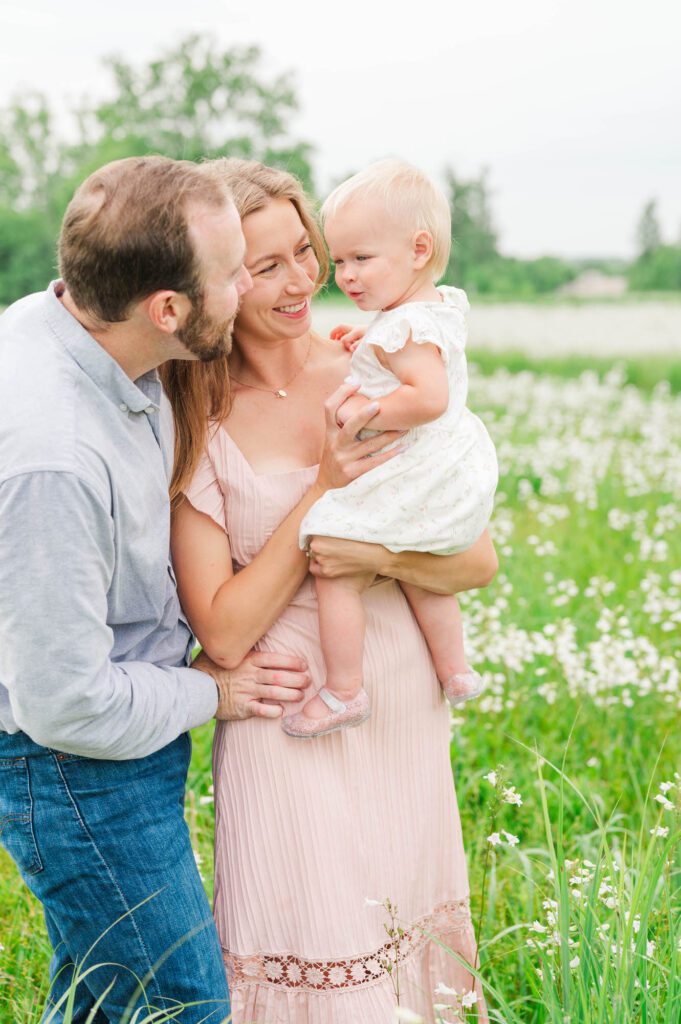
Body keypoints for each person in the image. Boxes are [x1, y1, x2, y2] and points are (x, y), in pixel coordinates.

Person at [166, 158, 497, 1023]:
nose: (302, 281)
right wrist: (322, 491)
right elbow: (226, 633)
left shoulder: (379, 371)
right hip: (287, 720)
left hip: (395, 699)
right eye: (263, 266)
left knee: (403, 950)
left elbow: (473, 562)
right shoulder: (192, 413)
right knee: (307, 952)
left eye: (303, 253)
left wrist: (364, 560)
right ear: (209, 280)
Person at [0, 155, 312, 1024]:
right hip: (71, 769)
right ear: (168, 308)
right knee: (183, 1006)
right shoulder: (52, 457)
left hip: (117, 742)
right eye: (234, 273)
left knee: (105, 1006)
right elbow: (64, 705)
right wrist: (208, 691)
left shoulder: (77, 323)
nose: (250, 285)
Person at [288, 160, 499, 737]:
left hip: (412, 464)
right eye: (341, 261)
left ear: (419, 249)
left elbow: (427, 397)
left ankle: (344, 690)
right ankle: (454, 669)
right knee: (421, 564)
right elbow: (412, 357)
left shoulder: (401, 327)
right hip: (445, 465)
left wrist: (363, 412)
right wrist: (370, 344)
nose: (346, 276)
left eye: (361, 259)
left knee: (331, 558)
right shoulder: (424, 312)